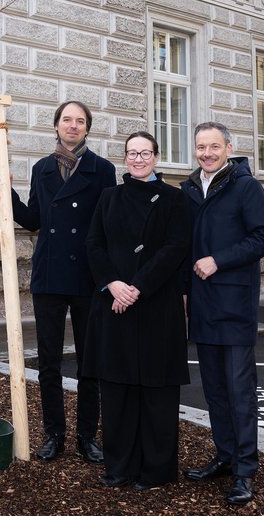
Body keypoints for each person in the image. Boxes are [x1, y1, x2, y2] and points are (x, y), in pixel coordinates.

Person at [0, 100, 115, 463]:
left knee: (89, 362)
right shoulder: (42, 168)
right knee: (48, 361)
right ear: (57, 125)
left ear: (87, 128)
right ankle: (54, 434)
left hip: (87, 277)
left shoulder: (103, 170)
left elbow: (106, 226)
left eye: (79, 121)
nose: (73, 126)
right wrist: (7, 193)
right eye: (67, 120)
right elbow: (33, 219)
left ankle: (87, 437)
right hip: (50, 274)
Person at [84, 132, 190, 490]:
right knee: (117, 393)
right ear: (125, 158)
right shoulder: (108, 197)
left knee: (157, 395)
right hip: (114, 306)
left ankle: (156, 472)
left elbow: (175, 249)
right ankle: (119, 468)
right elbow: (94, 245)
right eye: (132, 153)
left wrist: (137, 287)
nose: (138, 159)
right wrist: (113, 284)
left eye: (145, 153)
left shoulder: (175, 199)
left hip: (157, 306)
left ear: (157, 157)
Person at [180, 121, 264, 506]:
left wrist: (219, 260)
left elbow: (263, 238)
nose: (206, 153)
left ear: (228, 147)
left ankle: (244, 470)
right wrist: (183, 294)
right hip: (201, 305)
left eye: (214, 146)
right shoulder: (188, 190)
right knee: (215, 391)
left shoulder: (246, 187)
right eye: (201, 147)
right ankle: (224, 455)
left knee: (239, 392)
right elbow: (185, 248)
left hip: (234, 305)